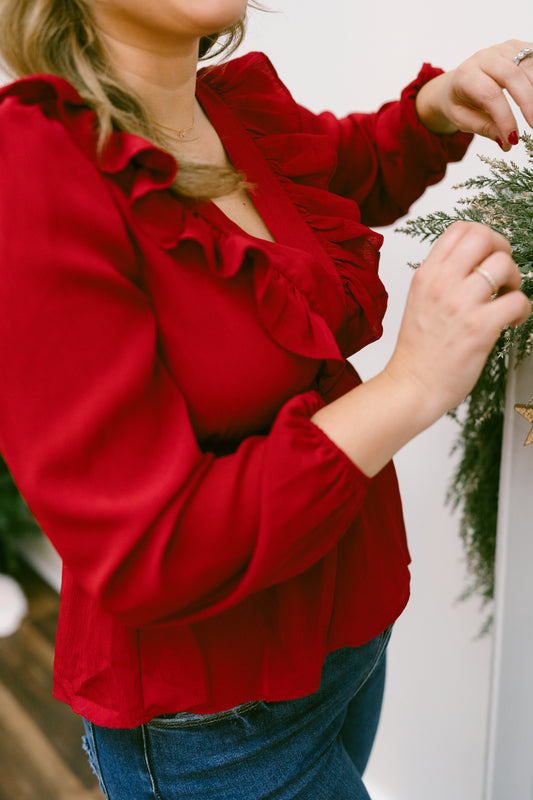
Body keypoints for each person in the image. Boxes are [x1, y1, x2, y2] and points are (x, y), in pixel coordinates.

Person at [0, 2, 531, 798]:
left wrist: (435, 108)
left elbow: (331, 175)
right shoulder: (31, 173)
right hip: (216, 727)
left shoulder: (224, 109)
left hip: (347, 639)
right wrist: (410, 384)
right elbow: (148, 548)